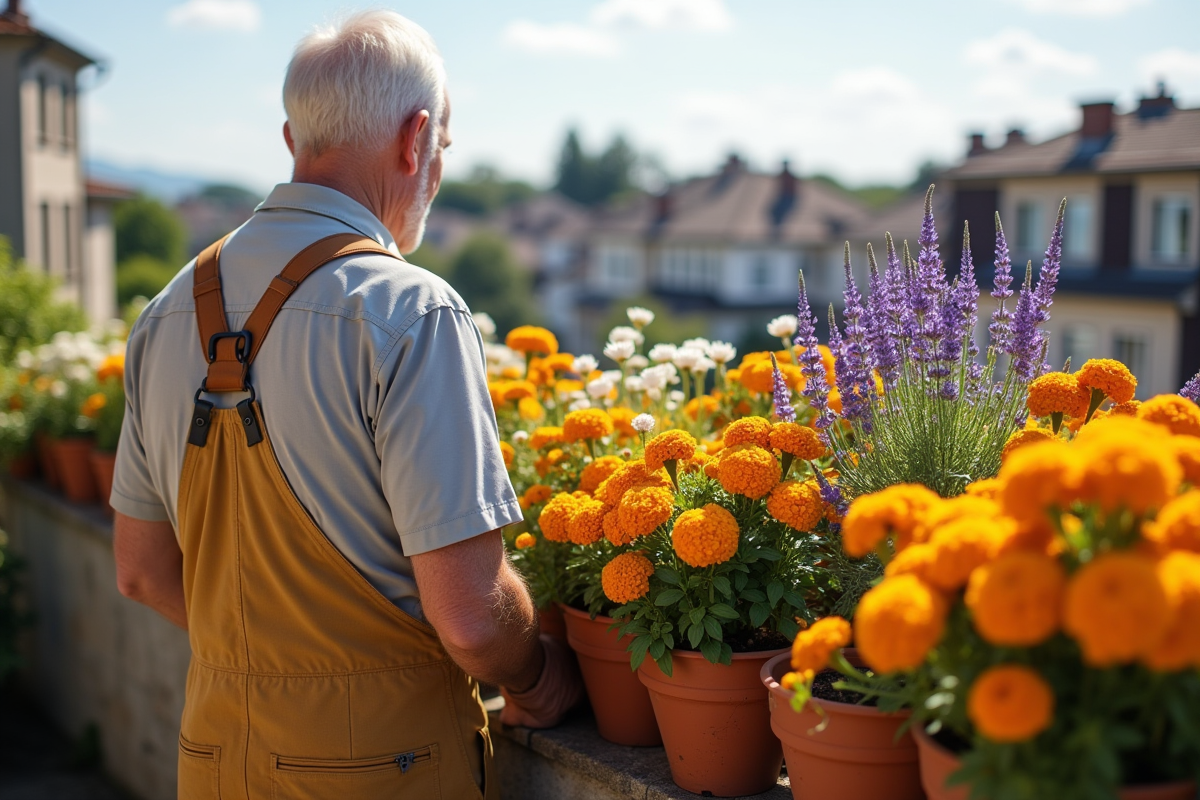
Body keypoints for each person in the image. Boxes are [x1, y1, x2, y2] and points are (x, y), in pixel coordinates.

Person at [110, 10, 581, 799]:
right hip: (384, 769)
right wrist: (540, 677)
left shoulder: (163, 313)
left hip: (215, 758)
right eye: (443, 151)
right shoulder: (410, 310)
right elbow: (469, 618)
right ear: (416, 139)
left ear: (293, 142)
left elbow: (140, 573)